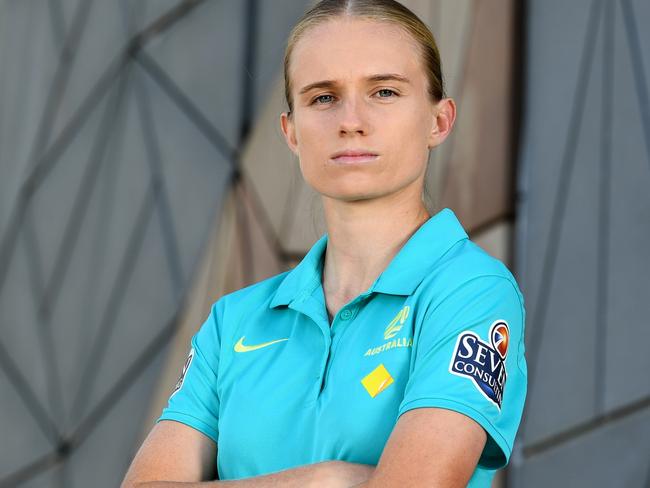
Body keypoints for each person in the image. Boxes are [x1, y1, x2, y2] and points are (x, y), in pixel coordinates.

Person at [121, 0, 527, 486]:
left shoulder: (471, 291)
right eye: (323, 98)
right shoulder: (232, 322)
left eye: (384, 91)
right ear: (291, 133)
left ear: (439, 121)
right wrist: (324, 480)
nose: (351, 120)